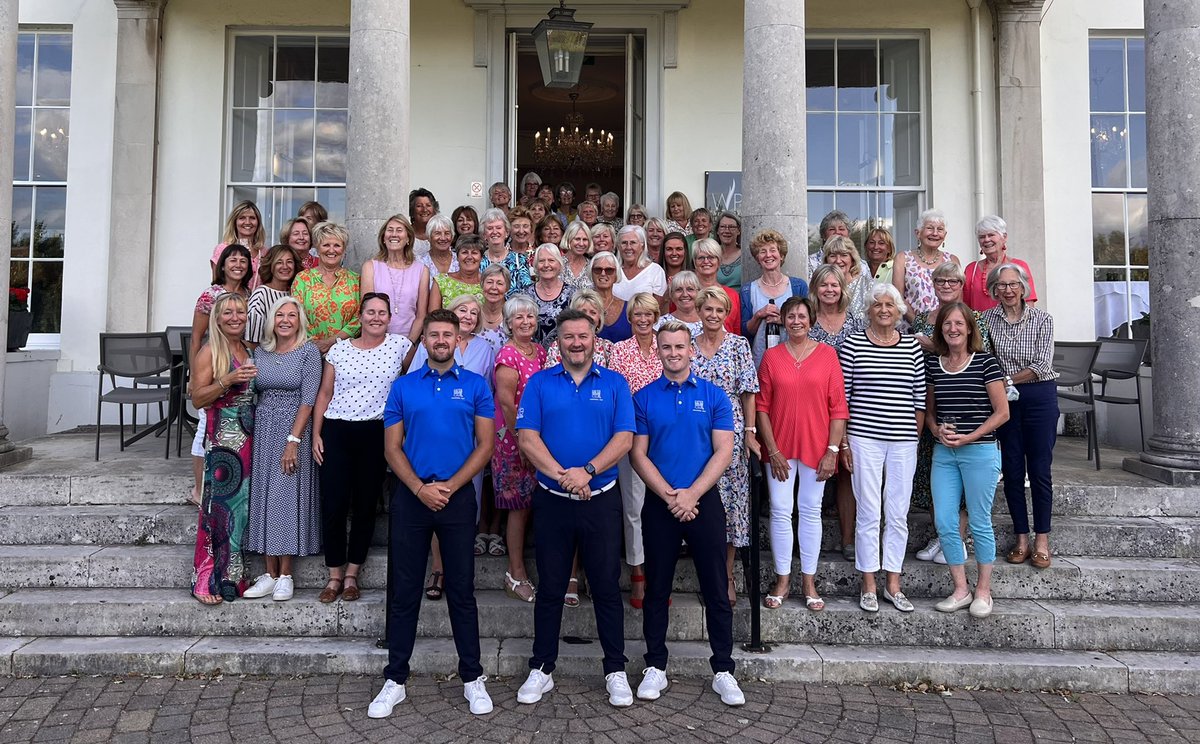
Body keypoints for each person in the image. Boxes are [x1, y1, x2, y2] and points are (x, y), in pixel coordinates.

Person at [369, 309, 495, 719]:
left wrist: (451, 488)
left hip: (456, 498)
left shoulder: (476, 386)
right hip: (411, 496)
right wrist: (421, 488)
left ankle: (472, 677)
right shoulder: (403, 387)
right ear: (423, 341)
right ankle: (395, 679)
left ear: (459, 341)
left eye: (447, 335)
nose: (440, 340)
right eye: (433, 334)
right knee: (404, 591)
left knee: (462, 590)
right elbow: (392, 448)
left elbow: (485, 446)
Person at [515, 309, 635, 708]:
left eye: (584, 336)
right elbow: (527, 438)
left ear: (594, 340)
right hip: (553, 500)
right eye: (569, 337)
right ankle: (541, 667)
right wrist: (564, 476)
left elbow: (624, 439)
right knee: (550, 586)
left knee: (604, 586)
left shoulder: (616, 384)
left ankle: (615, 670)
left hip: (601, 500)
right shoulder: (539, 383)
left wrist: (587, 472)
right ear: (559, 343)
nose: (577, 343)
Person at [631, 321, 745, 707]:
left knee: (715, 586)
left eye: (680, 347)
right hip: (660, 503)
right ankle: (656, 666)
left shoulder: (714, 396)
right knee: (656, 587)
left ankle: (724, 670)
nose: (674, 353)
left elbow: (724, 451)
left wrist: (692, 494)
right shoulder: (644, 398)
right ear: (659, 351)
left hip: (704, 501)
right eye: (667, 347)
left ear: (691, 349)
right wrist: (669, 495)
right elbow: (638, 454)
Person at [312, 293, 413, 603]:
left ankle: (353, 573)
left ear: (389, 317)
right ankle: (334, 575)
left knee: (366, 503)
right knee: (334, 504)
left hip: (376, 431)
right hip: (337, 429)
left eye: (382, 313)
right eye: (370, 312)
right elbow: (325, 393)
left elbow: (413, 383)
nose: (376, 317)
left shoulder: (400, 347)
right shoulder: (339, 350)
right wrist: (316, 433)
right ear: (361, 315)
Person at [756, 296, 848, 611]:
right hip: (779, 448)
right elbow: (762, 407)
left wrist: (833, 450)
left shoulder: (827, 355)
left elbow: (838, 408)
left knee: (810, 510)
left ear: (811, 320)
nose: (796, 321)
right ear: (783, 320)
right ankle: (783, 579)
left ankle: (809, 580)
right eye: (791, 316)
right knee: (781, 510)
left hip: (817, 446)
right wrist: (772, 449)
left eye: (802, 316)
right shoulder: (771, 356)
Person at [839, 284, 925, 613]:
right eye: (878, 305)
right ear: (869, 310)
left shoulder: (912, 349)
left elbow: (919, 399)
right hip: (864, 437)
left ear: (900, 310)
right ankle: (869, 583)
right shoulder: (853, 343)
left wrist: (913, 438)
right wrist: (844, 441)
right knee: (869, 512)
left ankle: (894, 583)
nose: (884, 309)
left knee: (898, 513)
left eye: (890, 304)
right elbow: (843, 400)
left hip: (903, 439)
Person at [926, 302, 1010, 617]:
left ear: (970, 328)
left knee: (978, 521)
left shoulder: (986, 362)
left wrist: (970, 436)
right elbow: (931, 413)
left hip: (980, 451)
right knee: (945, 521)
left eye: (959, 323)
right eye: (948, 324)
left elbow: (1003, 413)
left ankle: (983, 591)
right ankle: (960, 589)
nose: (953, 329)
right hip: (945, 453)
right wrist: (936, 431)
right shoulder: (935, 364)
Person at [910, 261, 992, 563]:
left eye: (953, 281)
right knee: (934, 480)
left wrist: (934, 346)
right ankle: (941, 536)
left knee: (963, 482)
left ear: (962, 285)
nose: (946, 285)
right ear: (933, 283)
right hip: (930, 399)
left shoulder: (975, 319)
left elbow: (981, 358)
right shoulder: (920, 319)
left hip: (965, 408)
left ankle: (956, 539)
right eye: (941, 280)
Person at [243, 297, 323, 602]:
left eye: (292, 315)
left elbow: (309, 399)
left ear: (300, 320)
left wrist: (294, 440)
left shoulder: (309, 352)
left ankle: (286, 575)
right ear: (272, 321)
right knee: (263, 496)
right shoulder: (261, 353)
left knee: (286, 497)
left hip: (293, 430)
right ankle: (268, 573)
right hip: (263, 427)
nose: (286, 320)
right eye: (280, 315)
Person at [981, 264, 1058, 569]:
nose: (1008, 290)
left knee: (1039, 470)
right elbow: (985, 357)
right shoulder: (986, 320)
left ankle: (1042, 539)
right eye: (1001, 285)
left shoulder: (1042, 319)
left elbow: (1042, 363)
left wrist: (1007, 379)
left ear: (1024, 287)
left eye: (1013, 284)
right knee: (1012, 469)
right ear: (993, 290)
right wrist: (1000, 385)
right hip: (1005, 401)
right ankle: (1021, 538)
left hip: (1039, 396)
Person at [691, 286, 759, 607]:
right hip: (694, 431)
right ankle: (706, 572)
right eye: (708, 310)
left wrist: (749, 431)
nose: (714, 316)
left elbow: (748, 392)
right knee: (702, 503)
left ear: (727, 313)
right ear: (700, 311)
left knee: (732, 506)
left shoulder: (738, 346)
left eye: (720, 310)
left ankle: (727, 574)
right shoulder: (689, 343)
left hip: (729, 430)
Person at [190, 293, 256, 605]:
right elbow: (197, 399)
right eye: (227, 312)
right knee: (218, 512)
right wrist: (227, 380)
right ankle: (206, 579)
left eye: (240, 312)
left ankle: (233, 578)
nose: (234, 317)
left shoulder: (249, 349)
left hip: (250, 440)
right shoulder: (209, 351)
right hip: (223, 445)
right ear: (217, 318)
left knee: (240, 512)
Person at [607, 292, 663, 609]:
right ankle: (638, 574)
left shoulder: (666, 345)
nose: (643, 320)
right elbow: (619, 395)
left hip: (665, 438)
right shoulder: (620, 351)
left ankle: (658, 574)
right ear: (630, 319)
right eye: (637, 315)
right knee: (634, 508)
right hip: (632, 438)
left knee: (663, 505)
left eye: (648, 315)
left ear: (656, 317)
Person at [807, 264, 864, 561]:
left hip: (850, 403)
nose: (829, 290)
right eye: (824, 285)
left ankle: (847, 538)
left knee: (846, 471)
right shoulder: (807, 321)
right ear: (815, 288)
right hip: (812, 405)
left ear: (843, 289)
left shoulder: (856, 321)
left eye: (835, 285)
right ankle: (805, 537)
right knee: (809, 467)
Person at [188, 245, 252, 506]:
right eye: (232, 260)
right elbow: (195, 336)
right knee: (205, 427)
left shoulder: (248, 293)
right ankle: (199, 490)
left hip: (236, 357)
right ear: (221, 265)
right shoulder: (211, 294)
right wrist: (194, 376)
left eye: (243, 261)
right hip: (214, 365)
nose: (238, 264)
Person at [492, 295, 546, 605]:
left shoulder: (539, 351)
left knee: (535, 505)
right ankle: (515, 572)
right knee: (519, 507)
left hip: (539, 437)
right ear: (509, 322)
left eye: (530, 316)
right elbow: (507, 403)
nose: (525, 322)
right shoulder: (508, 355)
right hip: (514, 440)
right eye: (519, 317)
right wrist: (523, 442)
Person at [740, 229, 809, 367]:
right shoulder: (747, 290)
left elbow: (808, 323)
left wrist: (783, 320)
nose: (768, 255)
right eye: (762, 251)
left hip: (794, 360)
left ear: (781, 255)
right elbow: (745, 332)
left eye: (773, 250)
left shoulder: (798, 286)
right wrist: (759, 315)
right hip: (760, 363)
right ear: (757, 258)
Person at [292, 222, 360, 355]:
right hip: (309, 351)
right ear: (317, 248)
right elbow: (296, 314)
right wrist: (316, 344)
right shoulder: (302, 279)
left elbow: (359, 317)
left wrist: (332, 341)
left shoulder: (355, 280)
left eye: (337, 245)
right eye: (326, 245)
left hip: (348, 353)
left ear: (344, 249)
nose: (331, 250)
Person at [361, 214, 430, 344]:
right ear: (383, 238)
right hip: (376, 342)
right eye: (390, 230)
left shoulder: (422, 270)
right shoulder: (370, 267)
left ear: (408, 238)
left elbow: (421, 316)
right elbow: (368, 310)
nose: (394, 234)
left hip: (409, 343)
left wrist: (407, 346)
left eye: (399, 230)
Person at [893, 208, 961, 326]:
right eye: (929, 228)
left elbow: (958, 300)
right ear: (918, 233)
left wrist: (945, 326)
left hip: (945, 328)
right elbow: (898, 297)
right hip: (911, 328)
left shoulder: (952, 260)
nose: (935, 233)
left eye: (940, 229)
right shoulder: (903, 258)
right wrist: (919, 325)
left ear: (944, 235)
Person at [965, 215, 1038, 312]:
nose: (986, 240)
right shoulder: (971, 269)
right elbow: (965, 307)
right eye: (982, 237)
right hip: (978, 326)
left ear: (1004, 237)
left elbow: (1029, 306)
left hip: (1011, 326)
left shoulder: (1019, 266)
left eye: (991, 235)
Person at [543, 290, 617, 368]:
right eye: (583, 312)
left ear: (599, 319)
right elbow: (549, 377)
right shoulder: (558, 346)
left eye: (593, 312)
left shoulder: (608, 348)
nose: (588, 317)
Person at [247, 245, 301, 345]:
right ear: (270, 265)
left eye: (289, 262)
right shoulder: (261, 295)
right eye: (279, 262)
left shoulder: (296, 293)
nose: (285, 266)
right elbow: (251, 341)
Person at [525, 243, 573, 348]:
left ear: (559, 264)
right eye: (541, 261)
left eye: (551, 260)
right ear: (536, 265)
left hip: (563, 356)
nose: (546, 265)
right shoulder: (525, 295)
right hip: (532, 355)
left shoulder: (572, 294)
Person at [692, 239, 741, 334]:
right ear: (694, 262)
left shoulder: (732, 295)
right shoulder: (685, 294)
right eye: (701, 258)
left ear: (719, 262)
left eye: (711, 257)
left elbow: (736, 331)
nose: (706, 261)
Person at [479, 208, 532, 296]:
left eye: (499, 228)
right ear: (484, 234)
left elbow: (527, 291)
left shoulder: (519, 260)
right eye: (490, 228)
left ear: (506, 232)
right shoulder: (479, 260)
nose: (494, 232)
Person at [211, 200, 266, 283]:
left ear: (258, 222)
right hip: (230, 296)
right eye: (242, 218)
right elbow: (216, 283)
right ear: (234, 222)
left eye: (252, 218)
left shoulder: (264, 252)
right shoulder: (223, 249)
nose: (247, 222)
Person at [613, 225, 667, 303]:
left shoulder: (655, 271)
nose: (628, 247)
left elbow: (659, 308)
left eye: (633, 243)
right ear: (618, 246)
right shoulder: (611, 269)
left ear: (642, 246)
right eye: (624, 243)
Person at [823, 235, 873, 318]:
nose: (838, 260)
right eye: (833, 256)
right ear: (826, 260)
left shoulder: (866, 284)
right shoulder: (821, 287)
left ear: (852, 259)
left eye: (844, 255)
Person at [590, 252, 632, 344]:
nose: (603, 273)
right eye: (598, 269)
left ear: (616, 274)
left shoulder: (629, 308)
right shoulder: (582, 306)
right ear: (591, 273)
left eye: (609, 270)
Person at [434, 235, 485, 309]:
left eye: (474, 253)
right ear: (457, 257)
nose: (469, 257)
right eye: (465, 252)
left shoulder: (488, 284)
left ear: (481, 258)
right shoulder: (441, 281)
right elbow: (433, 316)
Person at [657, 271, 703, 337]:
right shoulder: (661, 324)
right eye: (679, 290)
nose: (685, 294)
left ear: (698, 293)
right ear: (672, 294)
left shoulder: (709, 322)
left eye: (690, 289)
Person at [807, 209, 852, 274]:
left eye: (841, 229)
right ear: (823, 235)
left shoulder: (861, 265)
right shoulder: (809, 262)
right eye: (832, 229)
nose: (837, 232)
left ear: (849, 235)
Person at [658, 231, 694, 307]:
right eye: (669, 249)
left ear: (685, 251)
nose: (674, 253)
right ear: (663, 251)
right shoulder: (655, 276)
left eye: (679, 249)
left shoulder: (694, 278)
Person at [419, 213, 458, 279]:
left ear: (452, 236)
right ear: (429, 237)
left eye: (447, 233)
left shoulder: (460, 260)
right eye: (438, 233)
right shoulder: (420, 262)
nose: (443, 238)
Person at [560, 221, 593, 292]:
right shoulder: (558, 264)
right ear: (568, 240)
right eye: (577, 239)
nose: (581, 244)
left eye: (585, 239)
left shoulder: (592, 266)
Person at [714, 211, 743, 290]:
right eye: (723, 227)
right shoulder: (711, 254)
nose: (727, 231)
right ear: (717, 230)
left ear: (738, 231)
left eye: (731, 227)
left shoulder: (745, 255)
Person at [479, 264, 510, 337]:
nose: (494, 287)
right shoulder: (473, 314)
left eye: (499, 283)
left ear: (507, 288)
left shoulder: (513, 315)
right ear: (482, 284)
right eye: (489, 282)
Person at [409, 188, 438, 257]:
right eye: (419, 206)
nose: (424, 210)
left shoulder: (441, 233)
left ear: (434, 209)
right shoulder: (406, 234)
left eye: (428, 205)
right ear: (412, 210)